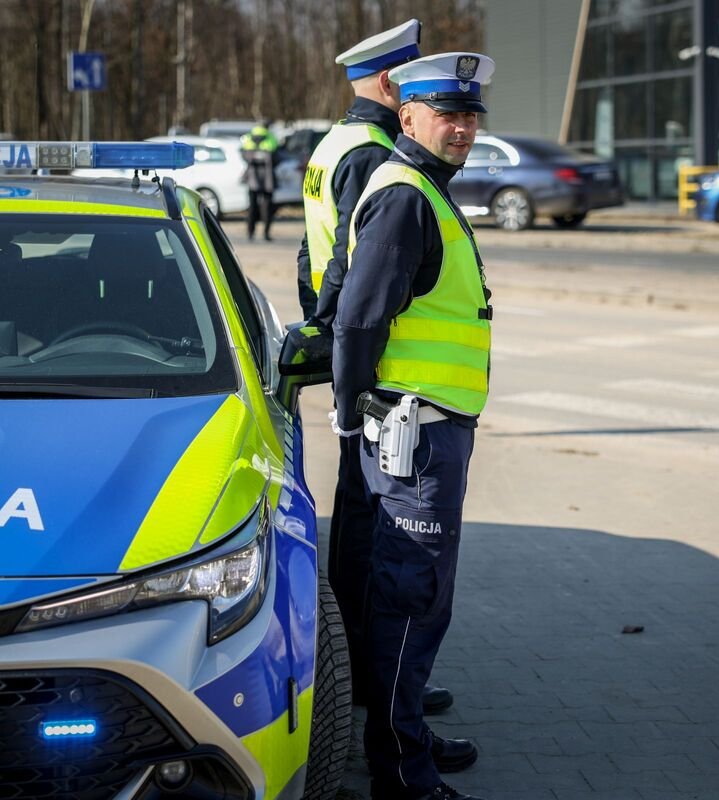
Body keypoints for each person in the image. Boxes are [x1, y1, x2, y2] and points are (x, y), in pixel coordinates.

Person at [331, 51, 495, 800]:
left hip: (428, 427)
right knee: (411, 599)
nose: (461, 128)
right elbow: (359, 318)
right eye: (446, 114)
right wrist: (351, 413)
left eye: (469, 116)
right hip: (414, 434)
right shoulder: (405, 196)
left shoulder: (423, 187)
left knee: (410, 596)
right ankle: (402, 773)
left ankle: (404, 740)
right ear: (407, 116)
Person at [296, 18, 456, 724]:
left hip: (349, 353)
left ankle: (369, 678)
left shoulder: (334, 143)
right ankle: (371, 680)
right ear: (393, 82)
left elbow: (312, 258)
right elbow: (352, 264)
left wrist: (320, 328)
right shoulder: (374, 155)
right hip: (376, 369)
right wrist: (349, 364)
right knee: (373, 535)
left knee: (362, 522)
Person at [240, 122, 278, 240]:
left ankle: (250, 233)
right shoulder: (271, 137)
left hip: (253, 178)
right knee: (267, 207)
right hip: (268, 179)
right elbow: (276, 157)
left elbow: (243, 156)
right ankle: (266, 233)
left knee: (252, 206)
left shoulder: (249, 137)